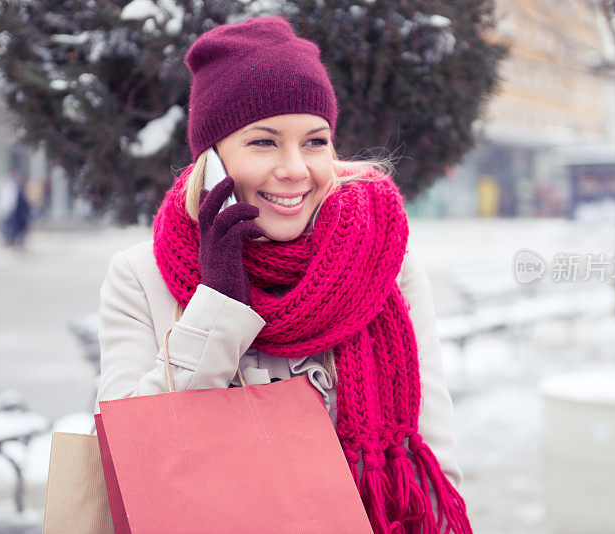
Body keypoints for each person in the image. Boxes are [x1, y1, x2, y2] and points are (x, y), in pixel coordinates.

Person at [95, 16, 471, 533]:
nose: (296, 168)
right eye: (264, 142)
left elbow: (431, 458)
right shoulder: (141, 276)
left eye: (315, 142)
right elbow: (130, 455)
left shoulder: (385, 260)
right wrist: (216, 308)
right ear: (213, 160)